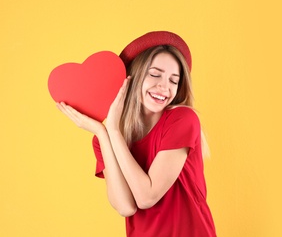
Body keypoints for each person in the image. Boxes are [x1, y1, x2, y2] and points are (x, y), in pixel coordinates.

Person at [56, 31, 216, 237]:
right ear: (133, 77)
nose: (164, 87)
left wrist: (113, 130)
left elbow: (146, 197)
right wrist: (104, 134)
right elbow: (126, 207)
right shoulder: (104, 140)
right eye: (155, 74)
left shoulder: (183, 120)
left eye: (173, 80)